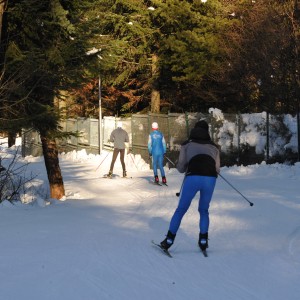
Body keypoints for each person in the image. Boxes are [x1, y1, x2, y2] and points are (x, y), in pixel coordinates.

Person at [160, 120, 220, 252]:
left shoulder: (187, 145)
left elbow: (181, 167)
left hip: (193, 177)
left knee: (181, 209)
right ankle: (203, 241)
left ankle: (169, 240)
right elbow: (217, 170)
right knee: (204, 210)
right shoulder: (214, 147)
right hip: (209, 179)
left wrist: (186, 165)